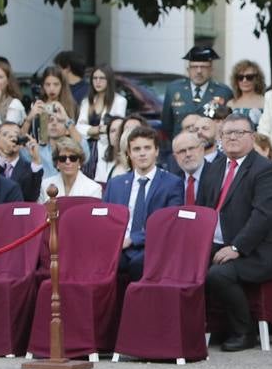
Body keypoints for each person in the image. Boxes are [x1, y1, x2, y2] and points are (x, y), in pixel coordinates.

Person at [197, 114, 272, 351]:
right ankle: (191, 330)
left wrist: (236, 247)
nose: (233, 137)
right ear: (220, 138)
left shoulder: (264, 170)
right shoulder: (214, 168)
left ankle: (243, 332)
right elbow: (202, 208)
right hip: (216, 244)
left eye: (240, 132)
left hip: (255, 252)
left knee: (218, 274)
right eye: (227, 133)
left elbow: (263, 217)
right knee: (181, 266)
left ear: (252, 137)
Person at [103, 126, 182, 281]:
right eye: (137, 149)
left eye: (147, 148)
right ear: (129, 154)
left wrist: (133, 239)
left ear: (157, 151)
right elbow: (105, 220)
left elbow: (169, 224)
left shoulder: (172, 183)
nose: (142, 153)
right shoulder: (115, 184)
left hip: (153, 246)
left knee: (138, 265)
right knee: (105, 261)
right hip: (120, 245)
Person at [162, 45, 231, 133]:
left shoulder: (223, 92)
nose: (199, 71)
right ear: (188, 70)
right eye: (194, 67)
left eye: (204, 67)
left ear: (211, 70)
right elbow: (166, 125)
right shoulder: (173, 89)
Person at [0, 120, 43, 203]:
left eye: (16, 135)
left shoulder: (30, 169)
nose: (12, 138)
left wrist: (36, 159)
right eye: (5, 134)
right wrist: (3, 155)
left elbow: (32, 197)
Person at [38, 137, 102, 202]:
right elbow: (41, 211)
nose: (68, 162)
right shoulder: (45, 185)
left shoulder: (93, 188)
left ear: (79, 162)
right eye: (62, 158)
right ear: (57, 163)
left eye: (73, 158)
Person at [25, 65, 78, 143]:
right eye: (48, 84)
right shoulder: (37, 105)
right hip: (36, 150)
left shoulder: (71, 105)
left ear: (62, 85)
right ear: (43, 85)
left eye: (56, 84)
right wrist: (29, 119)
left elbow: (77, 138)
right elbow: (23, 137)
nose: (51, 88)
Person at [76, 64, 128, 144]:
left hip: (107, 147)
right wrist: (98, 130)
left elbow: (116, 128)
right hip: (87, 147)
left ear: (109, 80)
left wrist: (89, 131)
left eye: (102, 78)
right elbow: (79, 127)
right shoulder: (86, 101)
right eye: (95, 78)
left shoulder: (119, 101)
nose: (97, 81)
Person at [85, 114, 127, 185]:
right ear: (108, 136)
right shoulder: (101, 154)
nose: (117, 134)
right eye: (113, 131)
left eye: (120, 130)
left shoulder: (132, 159)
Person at [170, 131, 208, 206]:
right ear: (175, 157)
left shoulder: (217, 174)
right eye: (182, 151)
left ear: (202, 149)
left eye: (191, 148)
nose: (188, 154)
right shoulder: (172, 181)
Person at [227, 60, 267, 126]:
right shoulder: (230, 104)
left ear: (257, 79)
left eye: (249, 77)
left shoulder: (266, 103)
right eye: (240, 77)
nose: (244, 80)